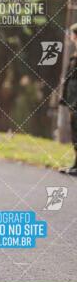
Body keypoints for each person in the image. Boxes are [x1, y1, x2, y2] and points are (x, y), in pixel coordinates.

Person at [60, 23, 77, 175]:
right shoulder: (74, 55)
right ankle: (75, 165)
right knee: (75, 134)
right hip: (73, 102)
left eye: (71, 33)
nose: (70, 36)